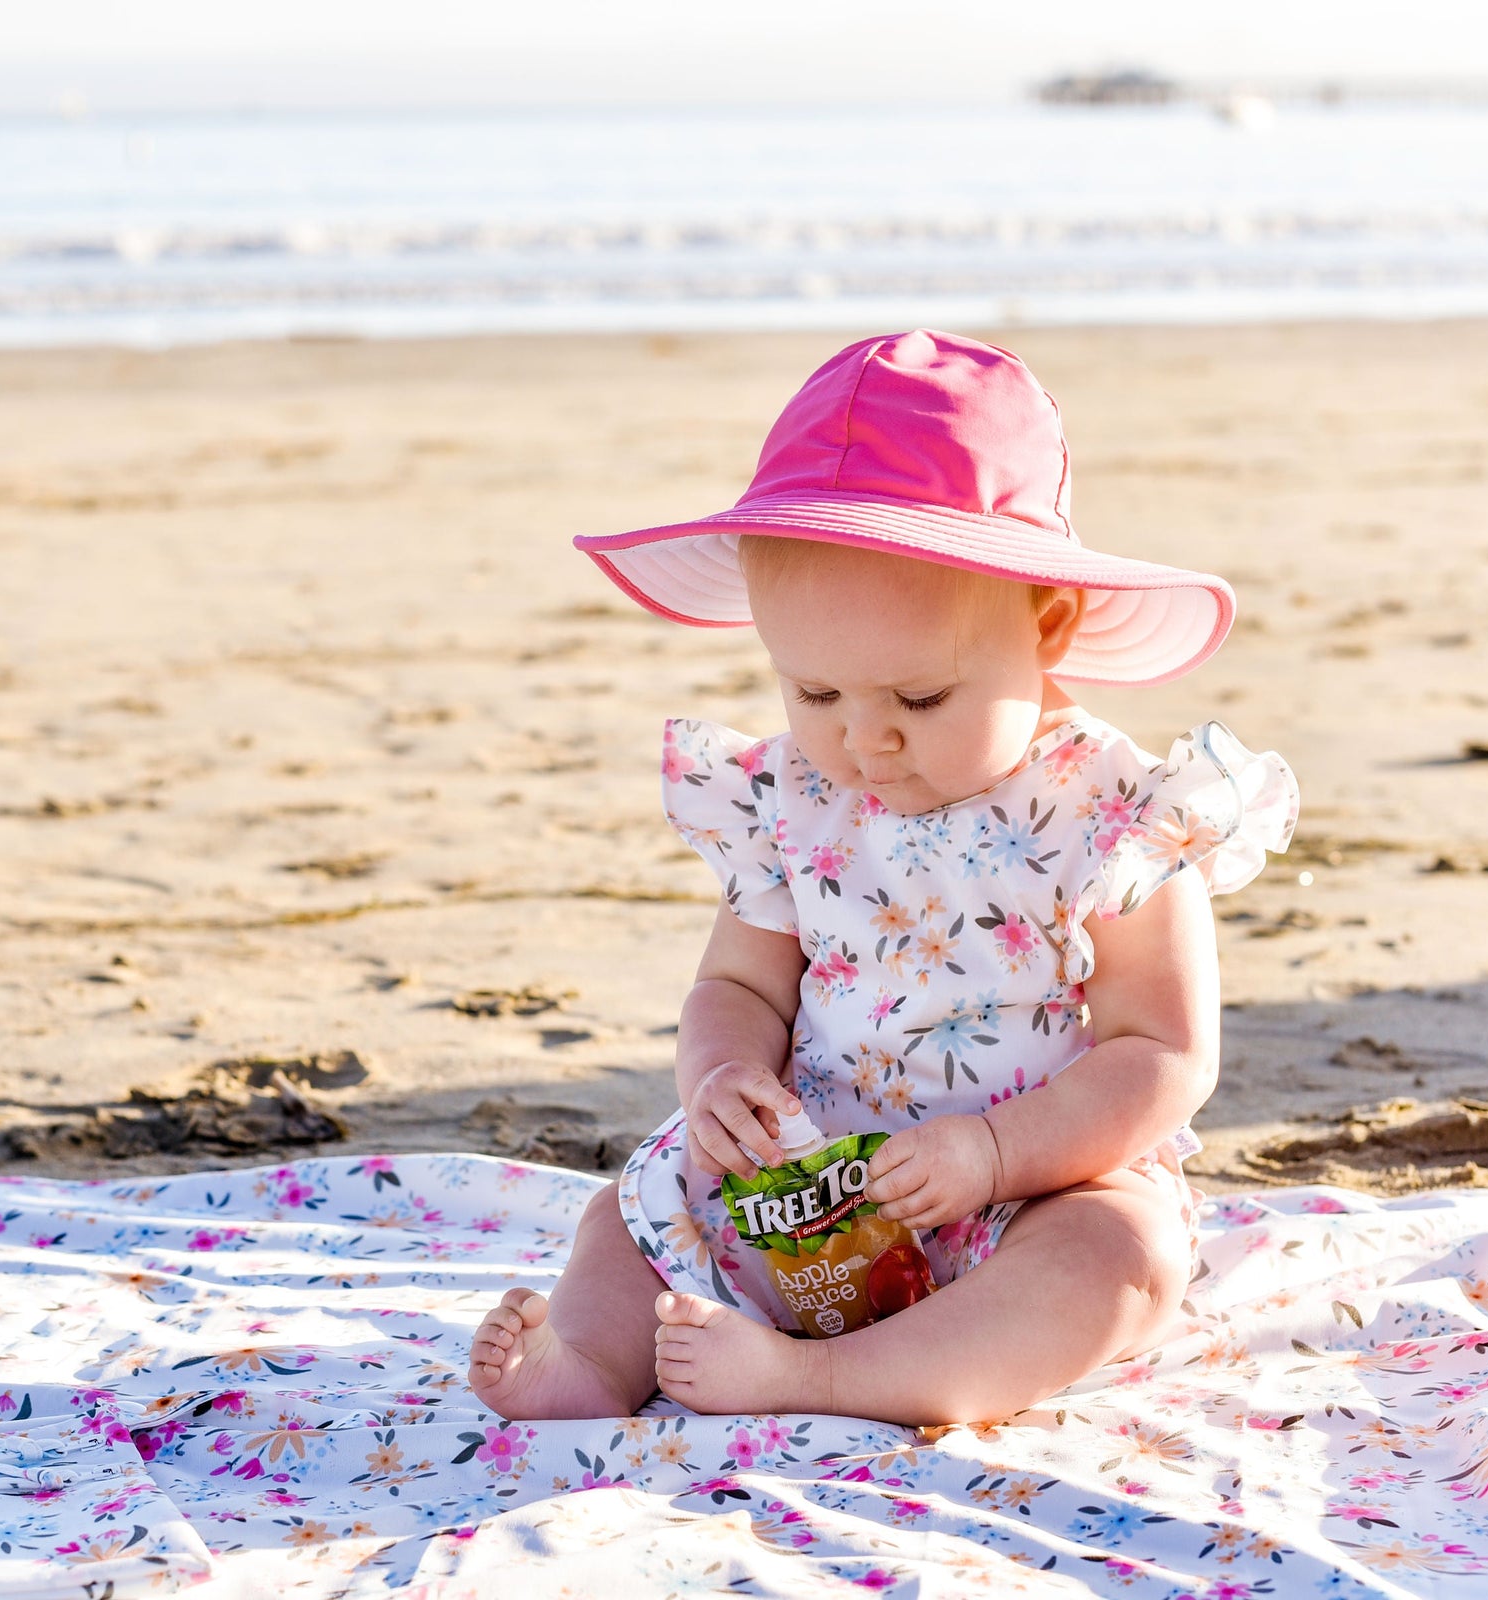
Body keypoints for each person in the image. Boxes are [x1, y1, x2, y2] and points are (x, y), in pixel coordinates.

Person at [466, 331, 1297, 1425]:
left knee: (1121, 1261)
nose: (865, 742)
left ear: (1047, 624)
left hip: (1029, 1192)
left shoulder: (1115, 814)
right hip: (803, 1197)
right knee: (633, 1213)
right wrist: (719, 1077)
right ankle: (585, 1362)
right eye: (815, 694)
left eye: (918, 700)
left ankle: (820, 1378)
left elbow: (1165, 1054)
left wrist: (994, 1153)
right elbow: (741, 986)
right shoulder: (791, 798)